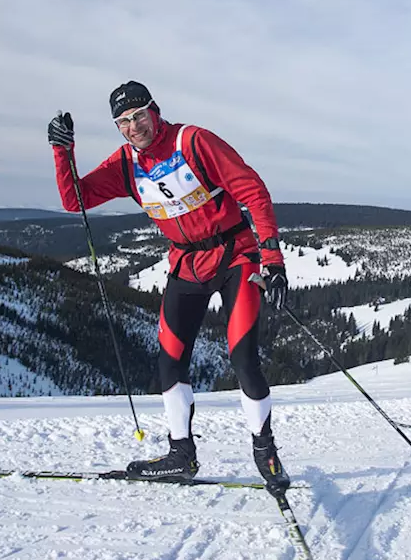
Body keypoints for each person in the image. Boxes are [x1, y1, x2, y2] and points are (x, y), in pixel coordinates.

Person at [46, 82, 291, 494]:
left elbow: (252, 189)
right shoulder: (126, 163)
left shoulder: (193, 141)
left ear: (155, 111)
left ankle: (264, 450)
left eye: (138, 115)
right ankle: (181, 454)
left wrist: (273, 258)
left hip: (235, 256)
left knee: (243, 357)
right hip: (187, 263)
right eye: (123, 122)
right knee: (170, 361)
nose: (133, 126)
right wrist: (61, 151)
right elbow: (77, 200)